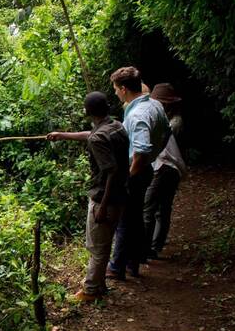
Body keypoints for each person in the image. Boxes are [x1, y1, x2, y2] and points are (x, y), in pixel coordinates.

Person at [47, 91, 129, 301]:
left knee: (97, 247)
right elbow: (92, 135)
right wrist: (63, 135)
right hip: (120, 196)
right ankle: (98, 285)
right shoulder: (116, 126)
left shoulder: (98, 138)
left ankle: (91, 290)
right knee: (103, 243)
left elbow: (110, 170)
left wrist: (103, 204)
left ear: (87, 112)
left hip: (105, 198)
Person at [107, 67, 170, 279]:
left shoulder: (137, 116)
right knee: (135, 219)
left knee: (125, 220)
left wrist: (128, 176)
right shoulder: (155, 104)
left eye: (116, 89)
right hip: (146, 170)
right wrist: (155, 154)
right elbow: (166, 133)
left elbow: (141, 152)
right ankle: (131, 265)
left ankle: (116, 267)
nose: (115, 93)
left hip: (136, 172)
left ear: (124, 89)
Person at [143, 83, 187, 259]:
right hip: (172, 167)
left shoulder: (173, 123)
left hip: (164, 167)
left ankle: (147, 249)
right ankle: (155, 245)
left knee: (150, 208)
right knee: (162, 208)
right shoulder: (172, 120)